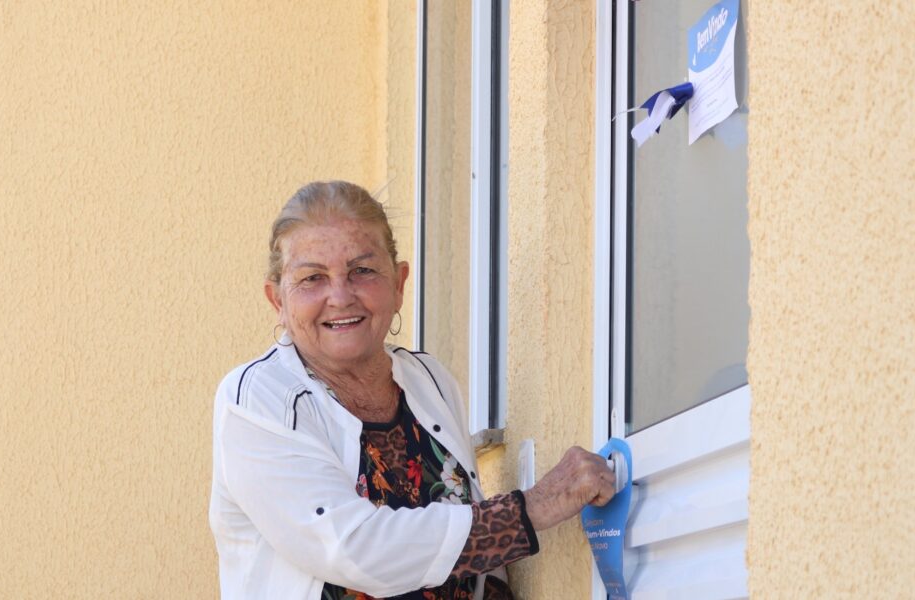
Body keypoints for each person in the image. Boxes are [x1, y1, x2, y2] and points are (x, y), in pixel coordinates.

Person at [209, 181, 616, 599]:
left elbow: (476, 565)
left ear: (399, 282)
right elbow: (351, 548)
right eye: (312, 278)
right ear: (277, 300)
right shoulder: (256, 398)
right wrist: (530, 507)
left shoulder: (429, 380)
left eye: (362, 271)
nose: (339, 295)